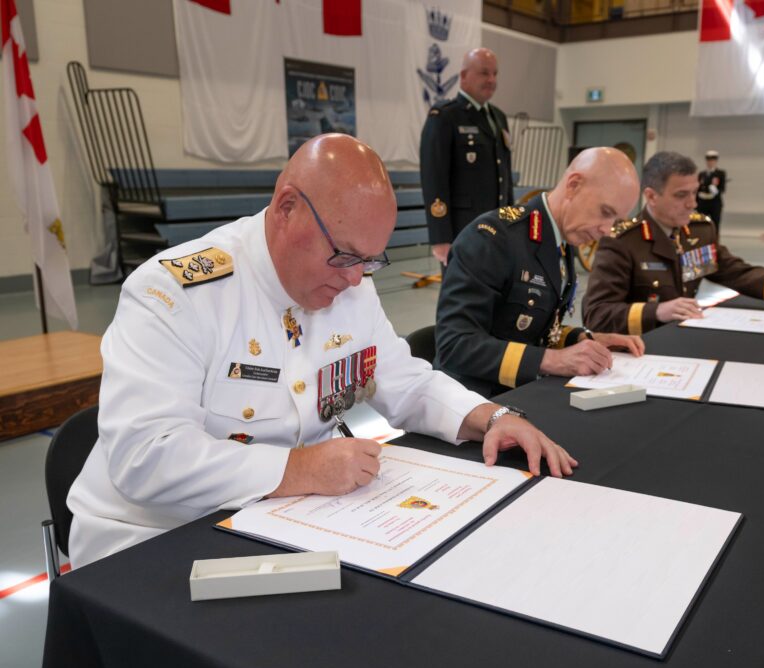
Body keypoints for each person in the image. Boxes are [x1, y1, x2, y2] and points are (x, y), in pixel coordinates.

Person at [67, 135, 575, 568]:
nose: (356, 277)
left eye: (370, 260)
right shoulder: (177, 293)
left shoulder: (347, 282)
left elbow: (404, 379)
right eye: (345, 255)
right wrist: (297, 468)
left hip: (283, 519)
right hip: (153, 539)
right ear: (286, 209)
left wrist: (491, 416)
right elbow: (146, 455)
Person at [434, 147, 644, 397]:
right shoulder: (493, 238)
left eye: (616, 220)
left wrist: (584, 338)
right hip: (473, 400)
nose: (607, 230)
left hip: (521, 391)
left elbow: (530, 329)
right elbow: (455, 344)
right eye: (606, 213)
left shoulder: (560, 240)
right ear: (574, 185)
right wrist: (555, 360)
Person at [582, 152, 764, 335]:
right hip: (635, 352)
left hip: (683, 343)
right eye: (681, 195)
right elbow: (596, 315)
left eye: (694, 193)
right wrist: (660, 311)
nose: (692, 203)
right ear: (651, 196)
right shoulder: (622, 241)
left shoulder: (698, 232)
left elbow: (738, 273)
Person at [419, 48, 514, 270]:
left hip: (498, 230)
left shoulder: (498, 118)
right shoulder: (445, 116)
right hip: (463, 233)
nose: (491, 80)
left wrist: (511, 224)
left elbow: (505, 178)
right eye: (484, 73)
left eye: (494, 74)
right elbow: (434, 179)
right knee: (462, 300)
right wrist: (441, 237)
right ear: (463, 76)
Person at [696, 150, 727, 230]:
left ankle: (714, 242)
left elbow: (722, 189)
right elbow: (698, 189)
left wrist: (715, 190)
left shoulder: (720, 173)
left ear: (716, 161)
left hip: (714, 202)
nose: (710, 162)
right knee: (700, 224)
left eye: (712, 160)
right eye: (708, 160)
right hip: (702, 202)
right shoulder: (702, 174)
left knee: (715, 225)